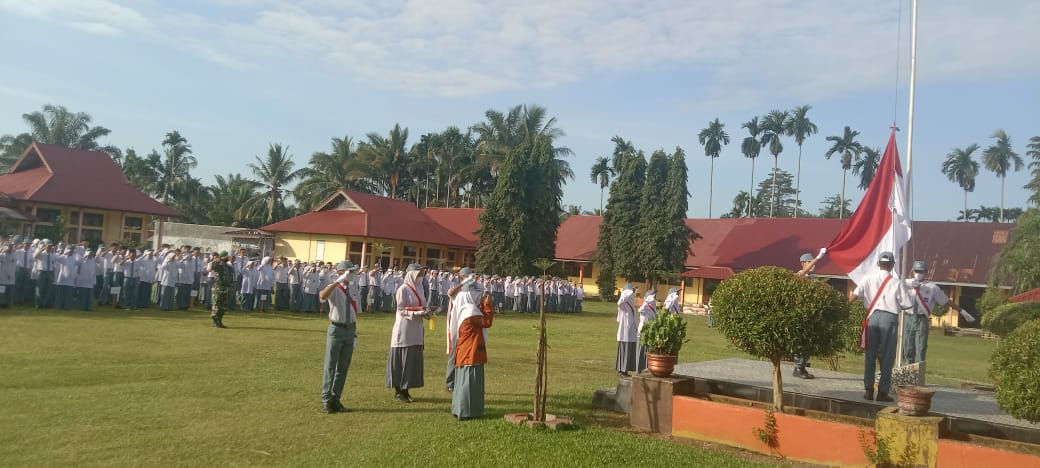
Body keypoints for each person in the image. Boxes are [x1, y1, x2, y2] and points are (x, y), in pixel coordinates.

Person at [851, 251, 912, 402]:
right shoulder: (896, 282)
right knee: (887, 355)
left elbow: (854, 295)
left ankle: (869, 390)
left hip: (872, 317)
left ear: (878, 264)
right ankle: (883, 392)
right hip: (889, 318)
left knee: (870, 354)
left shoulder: (867, 279)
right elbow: (907, 304)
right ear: (892, 265)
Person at [902, 260, 973, 364]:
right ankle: (906, 376)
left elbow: (946, 301)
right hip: (909, 317)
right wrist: (904, 282)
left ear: (926, 272)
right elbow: (892, 282)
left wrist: (961, 311)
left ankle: (918, 377)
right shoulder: (907, 284)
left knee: (920, 349)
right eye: (916, 271)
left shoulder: (932, 288)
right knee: (907, 349)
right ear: (912, 271)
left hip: (922, 319)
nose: (918, 274)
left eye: (921, 271)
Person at [386, 263, 433, 403]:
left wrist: (428, 312)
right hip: (404, 328)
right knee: (401, 359)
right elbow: (401, 309)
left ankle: (406, 388)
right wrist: (418, 312)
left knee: (411, 360)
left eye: (422, 274)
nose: (421, 276)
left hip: (416, 329)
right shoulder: (403, 289)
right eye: (418, 274)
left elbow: (422, 305)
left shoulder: (419, 289)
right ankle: (398, 389)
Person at [320, 260, 360, 414]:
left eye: (353, 272)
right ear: (340, 273)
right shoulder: (335, 288)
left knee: (343, 367)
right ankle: (326, 400)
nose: (353, 275)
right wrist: (337, 282)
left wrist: (354, 334)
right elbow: (322, 296)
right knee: (330, 366)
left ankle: (336, 399)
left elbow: (355, 313)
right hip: (337, 329)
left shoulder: (353, 289)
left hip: (350, 330)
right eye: (350, 272)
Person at [450, 278, 494, 420]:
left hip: (465, 351)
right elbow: (486, 322)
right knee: (470, 384)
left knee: (462, 382)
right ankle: (468, 411)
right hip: (472, 352)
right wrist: (487, 305)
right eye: (477, 294)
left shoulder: (465, 308)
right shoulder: (471, 312)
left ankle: (459, 409)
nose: (479, 297)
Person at [791, 252, 818, 379]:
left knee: (808, 342)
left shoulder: (814, 279)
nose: (813, 264)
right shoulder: (798, 275)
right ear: (803, 263)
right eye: (810, 262)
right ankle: (798, 367)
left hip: (811, 315)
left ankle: (802, 367)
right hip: (800, 315)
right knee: (800, 342)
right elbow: (800, 276)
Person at [615, 283, 638, 377]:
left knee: (629, 348)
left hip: (630, 329)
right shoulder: (624, 301)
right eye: (632, 290)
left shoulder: (630, 300)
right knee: (625, 348)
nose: (634, 292)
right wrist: (627, 292)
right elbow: (619, 302)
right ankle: (622, 370)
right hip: (625, 329)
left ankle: (625, 369)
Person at [209, 251, 234, 328]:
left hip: (226, 289)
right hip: (218, 289)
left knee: (223, 307)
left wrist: (231, 286)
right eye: (226, 256)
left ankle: (219, 321)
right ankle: (215, 321)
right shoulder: (218, 266)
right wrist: (218, 259)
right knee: (216, 306)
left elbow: (231, 278)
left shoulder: (229, 267)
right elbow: (212, 267)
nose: (228, 257)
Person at [636, 289, 658, 372]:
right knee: (641, 352)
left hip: (650, 332)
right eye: (654, 296)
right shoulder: (645, 306)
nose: (655, 297)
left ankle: (647, 369)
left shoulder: (653, 306)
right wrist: (646, 302)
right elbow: (640, 310)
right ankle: (639, 370)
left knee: (648, 352)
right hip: (643, 332)